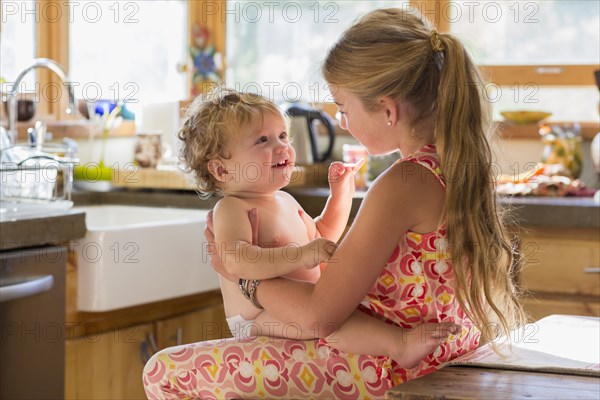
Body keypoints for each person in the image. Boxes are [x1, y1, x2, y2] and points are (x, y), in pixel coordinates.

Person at [143, 8, 526, 399]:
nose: (341, 121)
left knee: (162, 371)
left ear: (388, 111)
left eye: (343, 107)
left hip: (380, 368)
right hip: (442, 350)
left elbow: (320, 318)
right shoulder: (454, 166)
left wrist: (244, 278)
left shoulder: (400, 184)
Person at [175, 89, 457, 363]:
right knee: (326, 325)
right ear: (221, 169)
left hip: (301, 306)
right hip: (256, 318)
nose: (282, 146)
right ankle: (398, 345)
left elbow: (322, 236)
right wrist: (301, 255)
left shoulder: (285, 200)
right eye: (263, 140)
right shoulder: (231, 208)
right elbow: (236, 260)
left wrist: (340, 196)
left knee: (335, 316)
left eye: (282, 136)